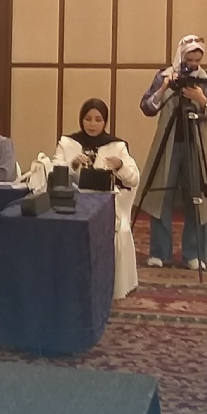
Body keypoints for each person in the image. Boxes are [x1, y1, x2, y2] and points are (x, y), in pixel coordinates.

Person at [136, 34, 207, 270]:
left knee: (198, 197)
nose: (192, 65)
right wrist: (165, 86)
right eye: (188, 60)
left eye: (197, 60)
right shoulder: (164, 76)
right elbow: (147, 107)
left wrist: (202, 100)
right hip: (168, 143)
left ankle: (195, 254)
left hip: (196, 143)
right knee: (160, 197)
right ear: (180, 56)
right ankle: (159, 252)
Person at [54, 99, 141, 298]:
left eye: (98, 119)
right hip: (75, 202)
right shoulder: (68, 143)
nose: (92, 124)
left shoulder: (117, 146)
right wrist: (72, 165)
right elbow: (53, 172)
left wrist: (120, 166)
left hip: (107, 204)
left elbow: (134, 179)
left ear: (105, 122)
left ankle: (107, 285)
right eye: (88, 119)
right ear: (81, 120)